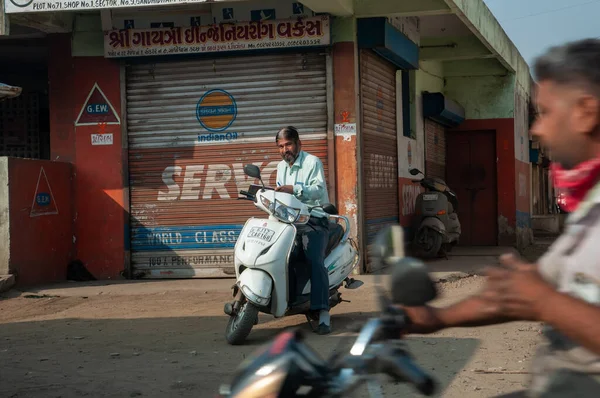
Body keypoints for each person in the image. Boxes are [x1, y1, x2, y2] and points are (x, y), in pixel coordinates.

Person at [401, 38, 600, 397]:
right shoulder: (589, 210)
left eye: (548, 114)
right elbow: (525, 292)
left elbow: (539, 295)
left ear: (585, 112)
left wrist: (545, 302)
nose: (537, 130)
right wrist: (436, 318)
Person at [275, 126, 332, 335]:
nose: (284, 150)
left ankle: (322, 311)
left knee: (314, 259)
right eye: (280, 146)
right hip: (291, 222)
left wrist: (294, 189)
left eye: (288, 144)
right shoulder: (280, 167)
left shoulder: (312, 162)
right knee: (281, 257)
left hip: (315, 220)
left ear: (299, 144)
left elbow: (318, 191)